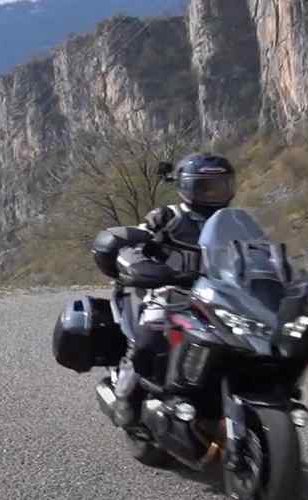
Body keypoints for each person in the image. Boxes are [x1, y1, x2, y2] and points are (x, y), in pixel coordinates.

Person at [108, 152, 237, 426]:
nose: (213, 193)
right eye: (204, 186)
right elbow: (136, 245)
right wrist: (144, 266)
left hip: (220, 293)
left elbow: (258, 249)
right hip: (169, 292)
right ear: (186, 187)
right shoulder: (168, 216)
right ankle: (126, 396)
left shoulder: (234, 221)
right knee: (147, 339)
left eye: (220, 186)